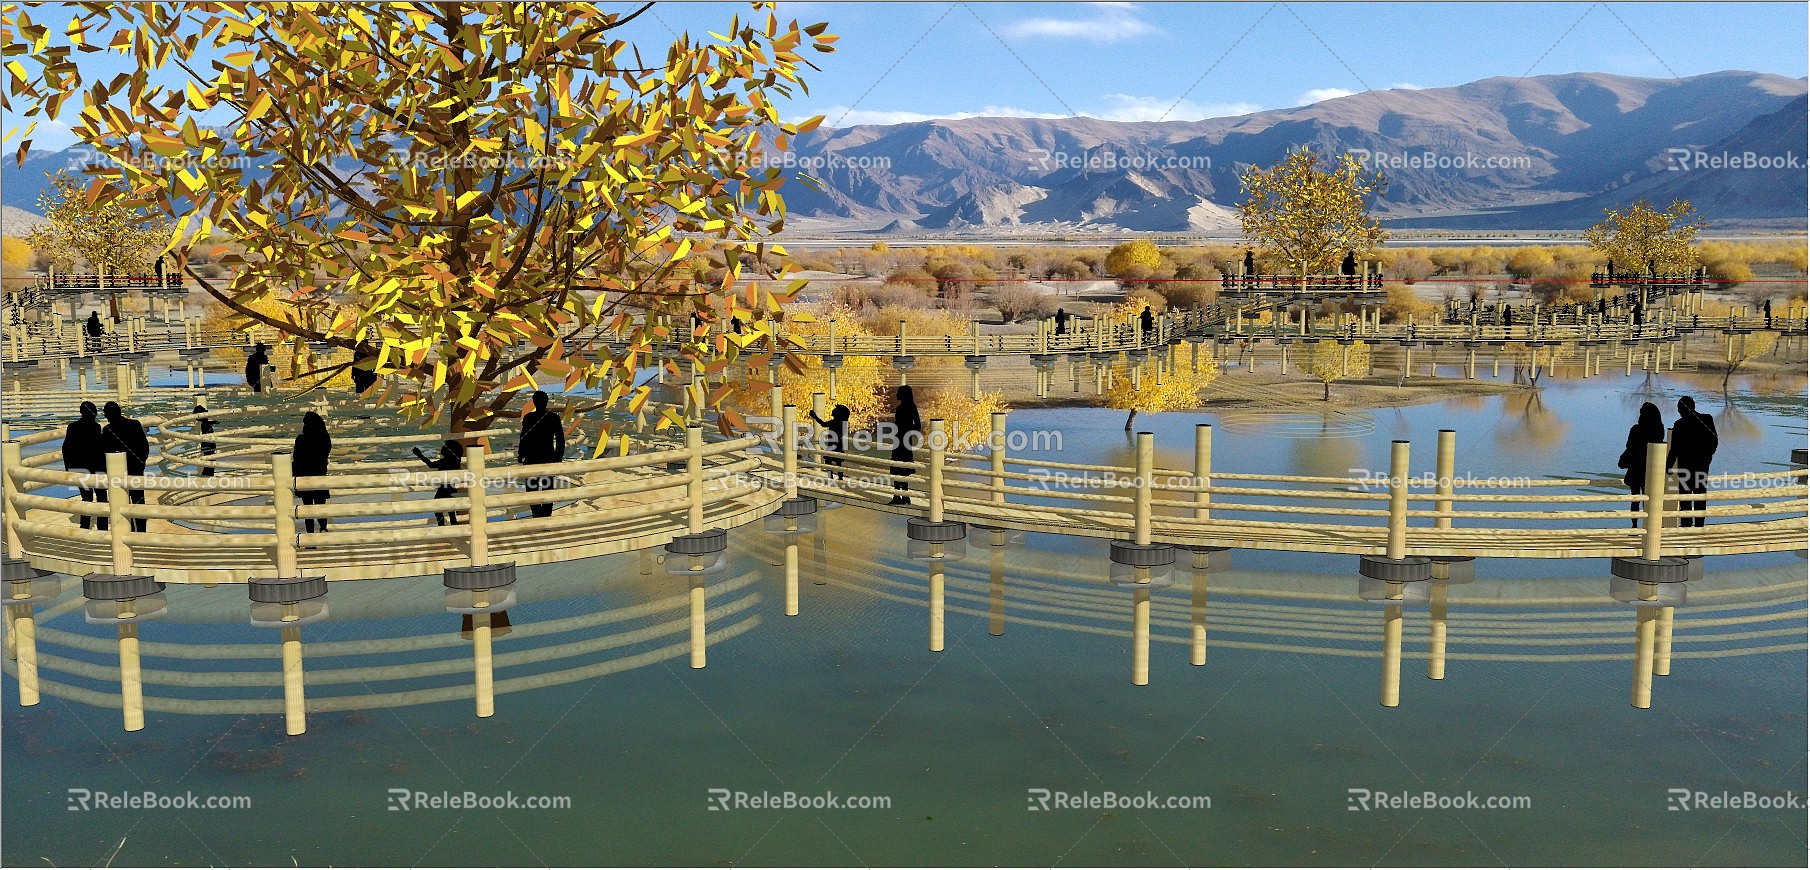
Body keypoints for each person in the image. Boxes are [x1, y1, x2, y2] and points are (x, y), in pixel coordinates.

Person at [1668, 396, 1718, 528]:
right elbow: (1714, 441)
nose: (1678, 412)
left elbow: (1674, 449)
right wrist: (1707, 458)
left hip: (1685, 467)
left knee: (1685, 498)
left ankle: (1686, 526)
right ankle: (1700, 526)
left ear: (1681, 409)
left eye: (1679, 409)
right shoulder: (1707, 419)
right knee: (1700, 495)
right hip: (1702, 466)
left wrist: (1667, 467)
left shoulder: (1679, 425)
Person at [100, 401, 149, 533]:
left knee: (121, 503)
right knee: (138, 501)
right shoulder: (135, 424)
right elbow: (145, 447)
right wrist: (141, 464)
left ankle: (127, 530)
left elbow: (103, 452)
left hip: (117, 472)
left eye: (106, 413)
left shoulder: (107, 430)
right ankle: (141, 531)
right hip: (136, 469)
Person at [1616, 402, 1667, 528]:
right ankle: (1648, 526)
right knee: (1648, 499)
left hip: (1635, 468)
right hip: (1650, 469)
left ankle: (1634, 526)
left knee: (1635, 498)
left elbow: (1629, 447)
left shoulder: (1636, 429)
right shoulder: (1659, 429)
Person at [517, 391, 565, 518]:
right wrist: (558, 457)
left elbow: (524, 437)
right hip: (548, 457)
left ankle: (537, 516)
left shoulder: (528, 418)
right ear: (547, 402)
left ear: (533, 402)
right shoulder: (554, 417)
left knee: (532, 490)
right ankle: (546, 516)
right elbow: (560, 439)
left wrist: (521, 454)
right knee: (548, 488)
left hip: (531, 457)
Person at [63, 401, 107, 530]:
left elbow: (66, 449)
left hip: (80, 468)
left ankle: (84, 525)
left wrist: (69, 468)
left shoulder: (72, 427)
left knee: (86, 497)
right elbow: (99, 448)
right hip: (97, 467)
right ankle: (102, 526)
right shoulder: (96, 427)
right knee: (101, 497)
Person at [292, 411, 332, 533]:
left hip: (305, 478)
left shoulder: (301, 439)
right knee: (320, 505)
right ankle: (323, 527)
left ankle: (310, 534)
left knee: (308, 508)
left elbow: (296, 458)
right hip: (320, 477)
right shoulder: (324, 439)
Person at [414, 439, 466, 526]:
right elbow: (431, 465)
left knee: (439, 509)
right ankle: (450, 527)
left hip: (444, 490)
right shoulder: (454, 461)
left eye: (444, 447)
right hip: (450, 489)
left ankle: (442, 526)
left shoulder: (447, 461)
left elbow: (431, 465)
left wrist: (420, 455)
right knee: (450, 512)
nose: (442, 448)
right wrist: (420, 455)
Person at [888, 386, 921, 505]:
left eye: (898, 393)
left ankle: (900, 496)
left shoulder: (906, 408)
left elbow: (917, 425)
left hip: (902, 440)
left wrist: (905, 431)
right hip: (902, 440)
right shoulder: (908, 407)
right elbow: (917, 426)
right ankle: (902, 496)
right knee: (901, 467)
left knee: (899, 467)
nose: (896, 394)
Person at [809, 404, 851, 481]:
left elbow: (823, 424)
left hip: (833, 444)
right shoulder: (842, 423)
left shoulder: (836, 422)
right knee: (837, 462)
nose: (833, 411)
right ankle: (839, 478)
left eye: (835, 410)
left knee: (829, 461)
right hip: (837, 444)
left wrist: (815, 416)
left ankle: (831, 477)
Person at [195, 405, 216, 477]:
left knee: (209, 458)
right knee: (210, 458)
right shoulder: (205, 423)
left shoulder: (204, 423)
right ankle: (208, 473)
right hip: (209, 444)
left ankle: (207, 474)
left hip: (208, 444)